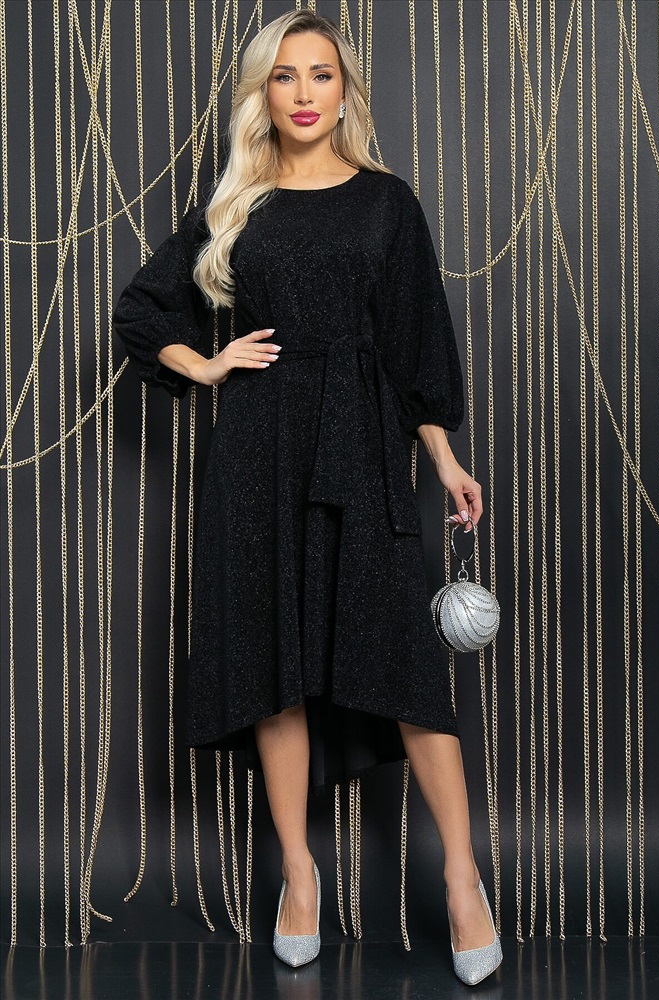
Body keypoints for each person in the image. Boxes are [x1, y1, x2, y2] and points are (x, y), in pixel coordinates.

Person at [112, 8, 502, 987]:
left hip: (362, 447)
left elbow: (415, 341)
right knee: (273, 664)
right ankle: (298, 874)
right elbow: (143, 309)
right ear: (264, 92)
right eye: (283, 75)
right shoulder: (237, 203)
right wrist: (206, 365)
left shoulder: (386, 203)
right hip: (257, 453)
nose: (301, 93)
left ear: (344, 90)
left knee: (404, 667)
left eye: (320, 74)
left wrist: (443, 456)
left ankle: (463, 880)